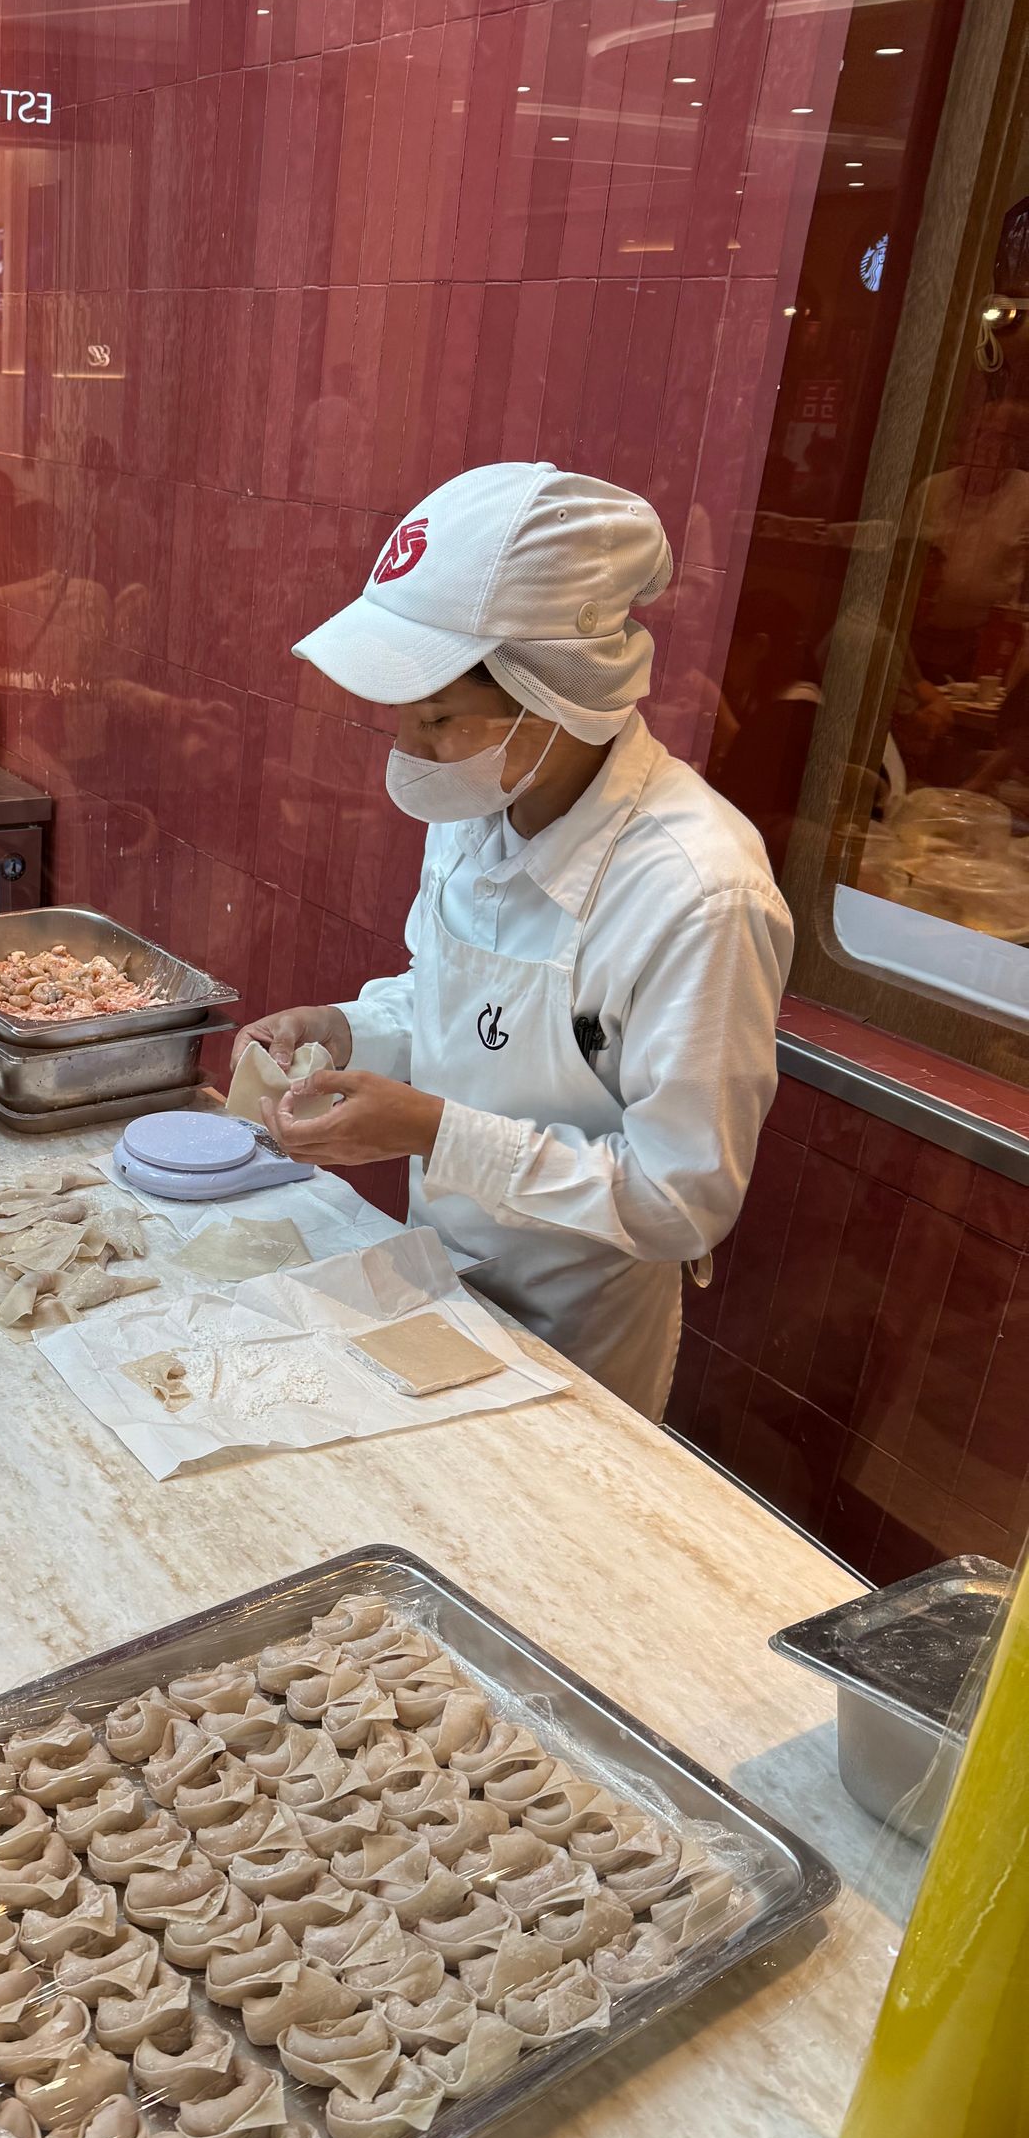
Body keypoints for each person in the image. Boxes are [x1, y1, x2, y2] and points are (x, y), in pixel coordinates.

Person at [236, 462, 792, 1420]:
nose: (409, 752)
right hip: (433, 1291)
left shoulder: (698, 891)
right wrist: (348, 1029)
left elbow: (681, 1199)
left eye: (438, 719)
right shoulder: (484, 799)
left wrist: (434, 1132)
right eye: (402, 718)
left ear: (556, 693)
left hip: (577, 1346)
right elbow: (454, 1001)